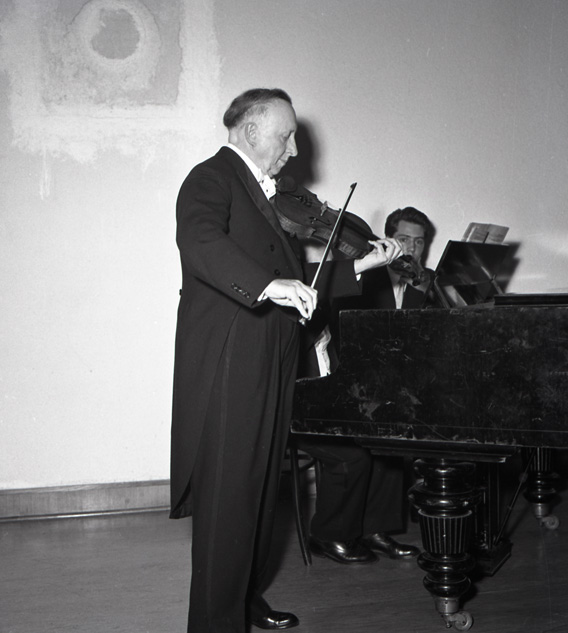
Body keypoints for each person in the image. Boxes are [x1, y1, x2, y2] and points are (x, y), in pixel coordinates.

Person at [169, 88, 404, 633]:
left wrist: (361, 266)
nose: (295, 148)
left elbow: (300, 282)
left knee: (256, 493)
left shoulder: (267, 194)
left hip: (273, 360)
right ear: (252, 131)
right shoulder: (211, 178)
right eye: (286, 135)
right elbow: (200, 242)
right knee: (230, 496)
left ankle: (243, 601)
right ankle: (215, 623)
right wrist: (266, 284)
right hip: (233, 360)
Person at [294, 207, 434, 565]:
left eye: (419, 242)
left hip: (354, 389)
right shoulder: (356, 284)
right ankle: (331, 533)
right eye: (403, 239)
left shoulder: (421, 282)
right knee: (357, 450)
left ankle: (376, 529)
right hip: (321, 393)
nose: (411, 248)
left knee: (388, 437)